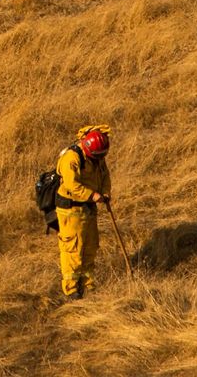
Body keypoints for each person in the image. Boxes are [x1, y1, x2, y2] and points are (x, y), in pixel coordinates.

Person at [54, 124, 112, 301]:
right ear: (88, 148)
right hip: (70, 210)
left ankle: (87, 283)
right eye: (98, 156)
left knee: (90, 246)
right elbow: (72, 186)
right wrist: (92, 195)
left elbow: (104, 175)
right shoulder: (71, 158)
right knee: (73, 249)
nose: (101, 158)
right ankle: (71, 290)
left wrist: (106, 192)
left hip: (88, 208)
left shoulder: (97, 155)